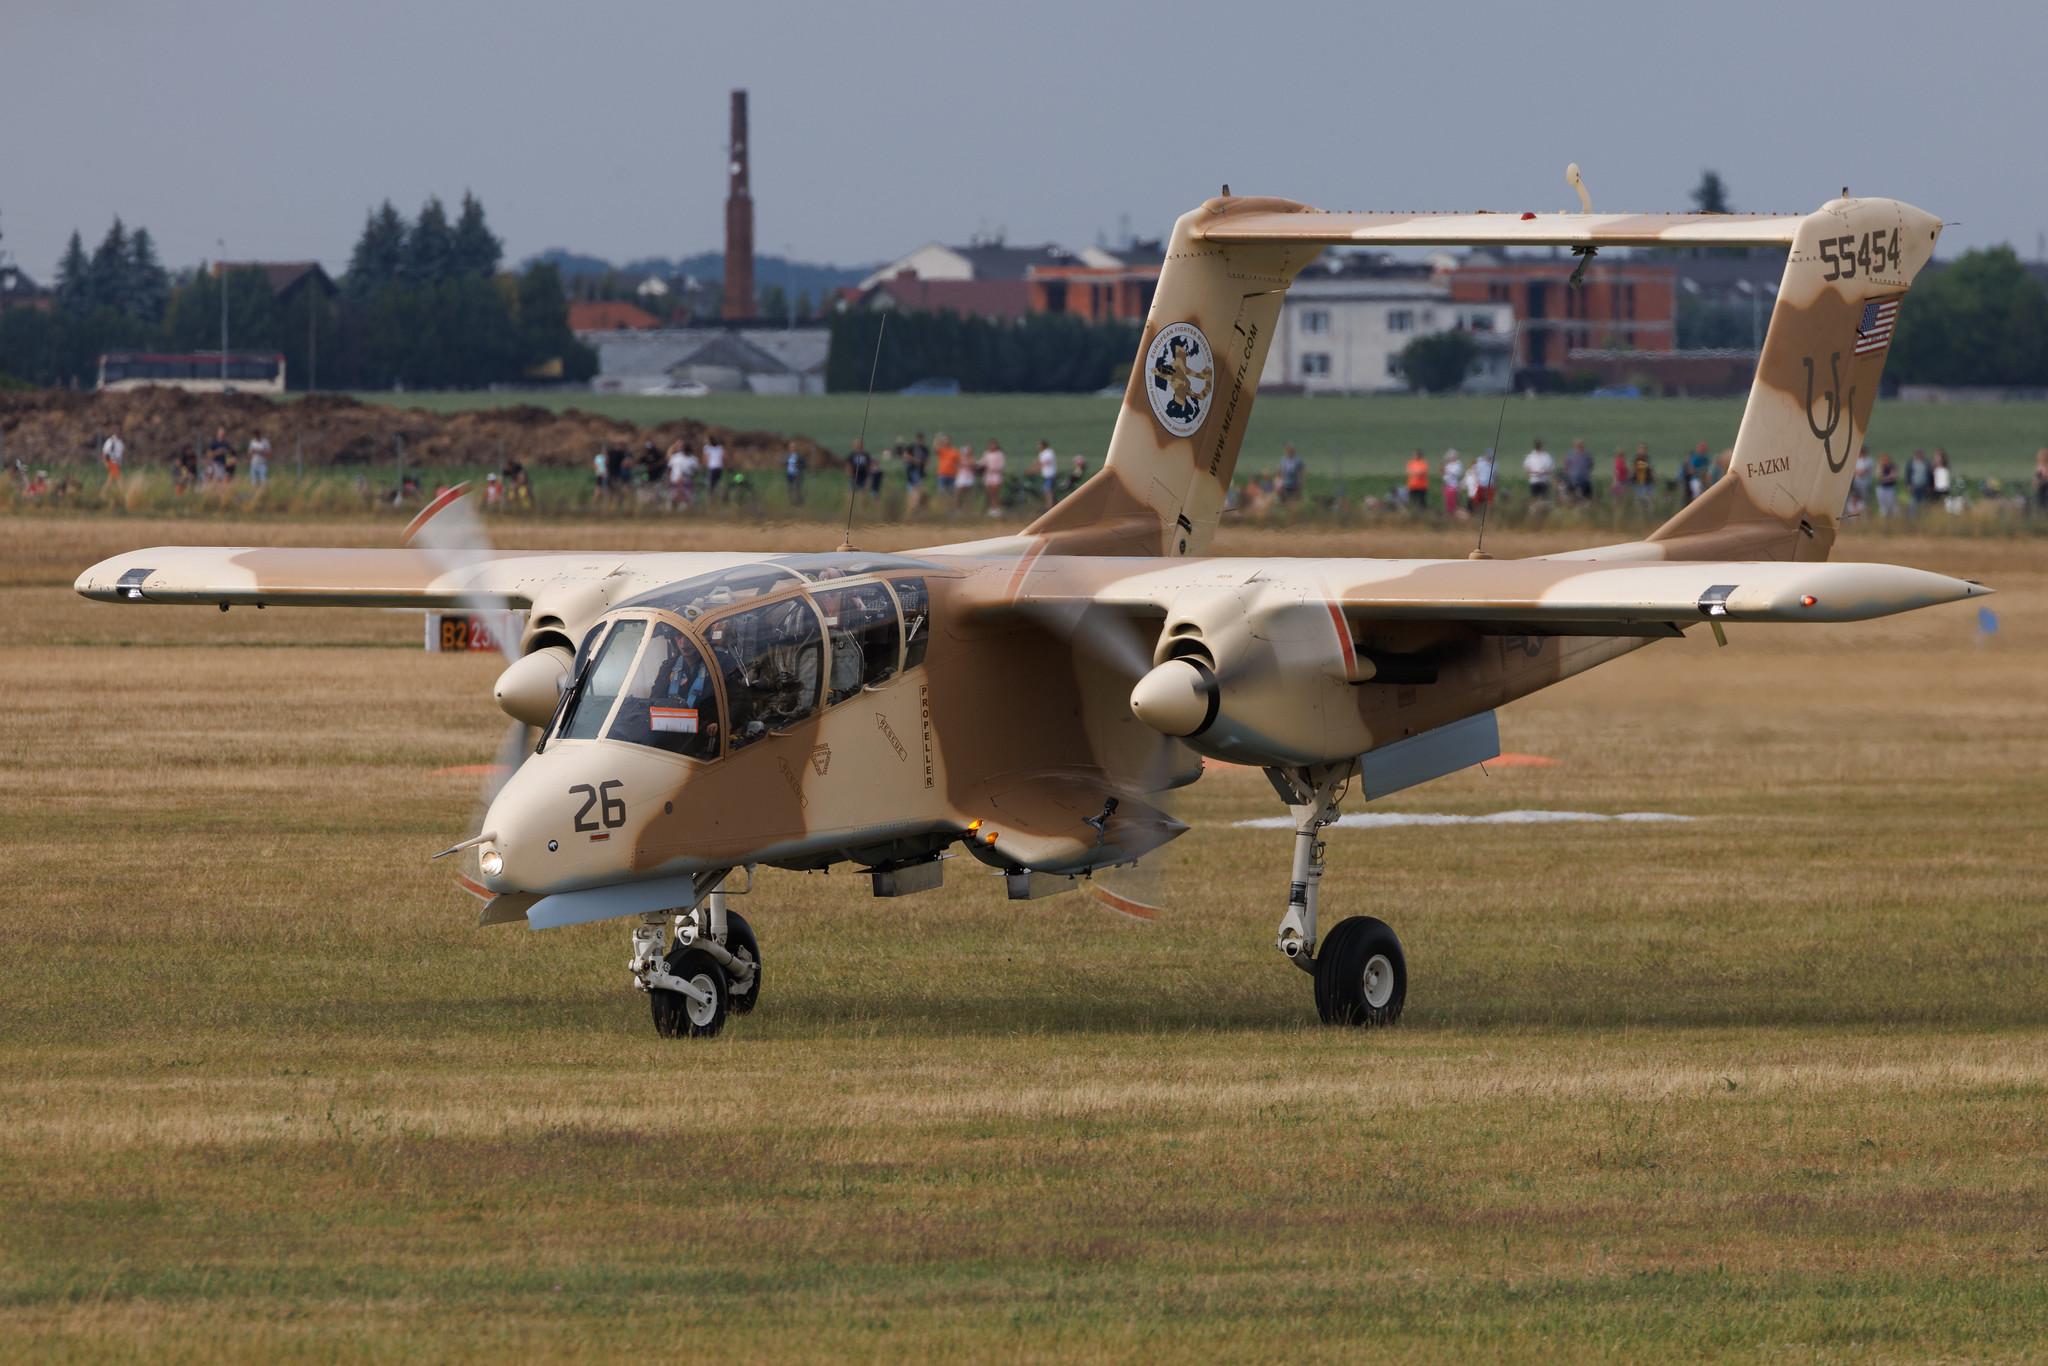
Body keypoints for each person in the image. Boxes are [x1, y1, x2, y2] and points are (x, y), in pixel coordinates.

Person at [981, 439, 1007, 517]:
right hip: (988, 475)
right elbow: (982, 463)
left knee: (995, 493)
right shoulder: (986, 453)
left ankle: (997, 508)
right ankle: (992, 508)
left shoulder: (1000, 454)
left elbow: (1001, 465)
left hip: (996, 475)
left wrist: (994, 469)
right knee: (990, 493)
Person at [1905, 449, 1932, 516]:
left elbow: (1930, 474)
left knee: (1924, 502)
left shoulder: (1926, 463)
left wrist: (1929, 485)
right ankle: (1911, 517)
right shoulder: (1911, 463)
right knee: (1913, 502)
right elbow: (1908, 474)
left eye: (1921, 455)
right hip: (1914, 486)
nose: (1920, 456)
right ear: (1915, 455)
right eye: (1919, 455)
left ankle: (1924, 516)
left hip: (1924, 485)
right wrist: (1908, 485)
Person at [952, 440, 977, 513]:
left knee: (967, 494)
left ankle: (967, 510)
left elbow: (973, 466)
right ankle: (957, 509)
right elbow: (957, 464)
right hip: (961, 476)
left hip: (969, 477)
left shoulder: (972, 458)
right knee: (958, 493)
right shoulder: (961, 457)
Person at [1849, 445, 1874, 519]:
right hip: (1856, 483)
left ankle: (1865, 516)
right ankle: (1854, 517)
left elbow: (1862, 472)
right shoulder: (1856, 460)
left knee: (1865, 500)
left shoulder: (1869, 460)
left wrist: (1856, 472)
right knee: (1854, 499)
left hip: (1865, 483)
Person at [1441, 448, 1464, 518]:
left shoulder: (1458, 464)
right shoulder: (1448, 465)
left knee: (1455, 505)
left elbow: (1456, 474)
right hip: (1447, 486)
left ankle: (1456, 517)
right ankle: (1450, 518)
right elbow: (1444, 476)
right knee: (1448, 505)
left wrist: (1446, 471)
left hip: (1454, 486)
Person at [1876, 451, 1900, 517]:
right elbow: (1879, 477)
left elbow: (1895, 476)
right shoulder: (1880, 466)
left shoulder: (1893, 466)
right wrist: (1889, 477)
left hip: (1891, 488)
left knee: (1892, 505)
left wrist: (1886, 478)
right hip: (1882, 488)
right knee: (1883, 506)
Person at [1036, 439, 1058, 509]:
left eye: (1039, 445)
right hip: (1046, 476)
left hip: (1050, 475)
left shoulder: (1049, 452)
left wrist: (1034, 469)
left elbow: (1045, 462)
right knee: (1047, 491)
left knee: (1048, 491)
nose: (1038, 446)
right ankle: (1050, 505)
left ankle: (1050, 507)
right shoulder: (1042, 453)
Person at [1631, 443, 1654, 508]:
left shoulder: (1648, 459)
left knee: (1649, 500)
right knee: (1638, 501)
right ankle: (1639, 515)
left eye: (1643, 449)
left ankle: (1649, 515)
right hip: (1638, 483)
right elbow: (1632, 470)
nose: (1642, 450)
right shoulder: (1636, 459)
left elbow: (1651, 470)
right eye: (1640, 449)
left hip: (1648, 482)